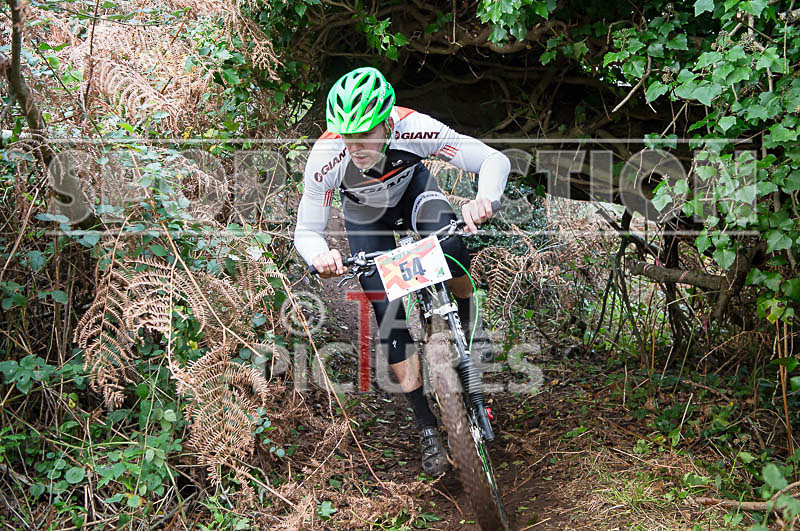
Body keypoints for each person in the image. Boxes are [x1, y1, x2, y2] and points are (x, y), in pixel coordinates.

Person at [294, 67, 509, 475]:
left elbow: (492, 159)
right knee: (388, 315)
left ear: (388, 124)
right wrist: (320, 255)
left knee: (453, 246)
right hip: (366, 216)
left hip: (415, 196)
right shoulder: (326, 157)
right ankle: (427, 427)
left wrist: (485, 199)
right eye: (347, 135)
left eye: (365, 134)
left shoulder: (414, 127)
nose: (355, 145)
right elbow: (306, 231)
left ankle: (466, 326)